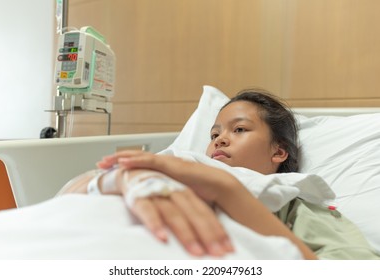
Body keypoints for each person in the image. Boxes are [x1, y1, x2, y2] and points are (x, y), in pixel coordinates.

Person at [60, 89, 379, 260]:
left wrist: (230, 194)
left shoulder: (297, 202)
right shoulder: (175, 166)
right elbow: (66, 200)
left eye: (239, 129)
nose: (219, 140)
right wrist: (127, 178)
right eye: (213, 135)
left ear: (278, 152)